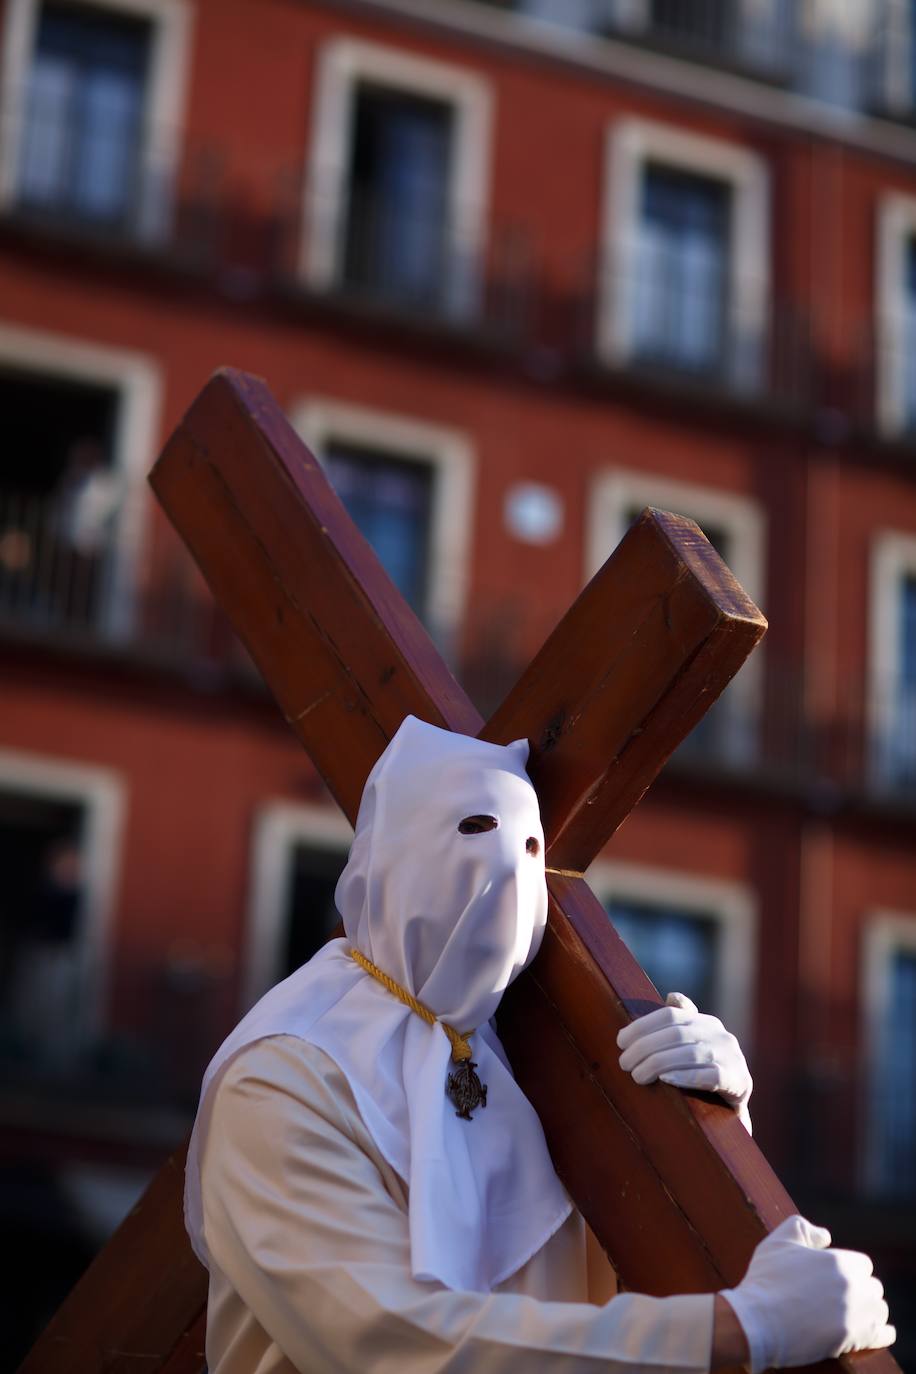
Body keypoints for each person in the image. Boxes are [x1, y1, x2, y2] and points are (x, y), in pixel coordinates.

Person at [186, 716, 895, 1373]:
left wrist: (709, 1120)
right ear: (393, 854)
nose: (506, 873)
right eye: (470, 828)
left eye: (531, 847)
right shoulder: (284, 1078)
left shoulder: (534, 1064)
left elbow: (613, 1266)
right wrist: (741, 1330)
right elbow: (386, 1341)